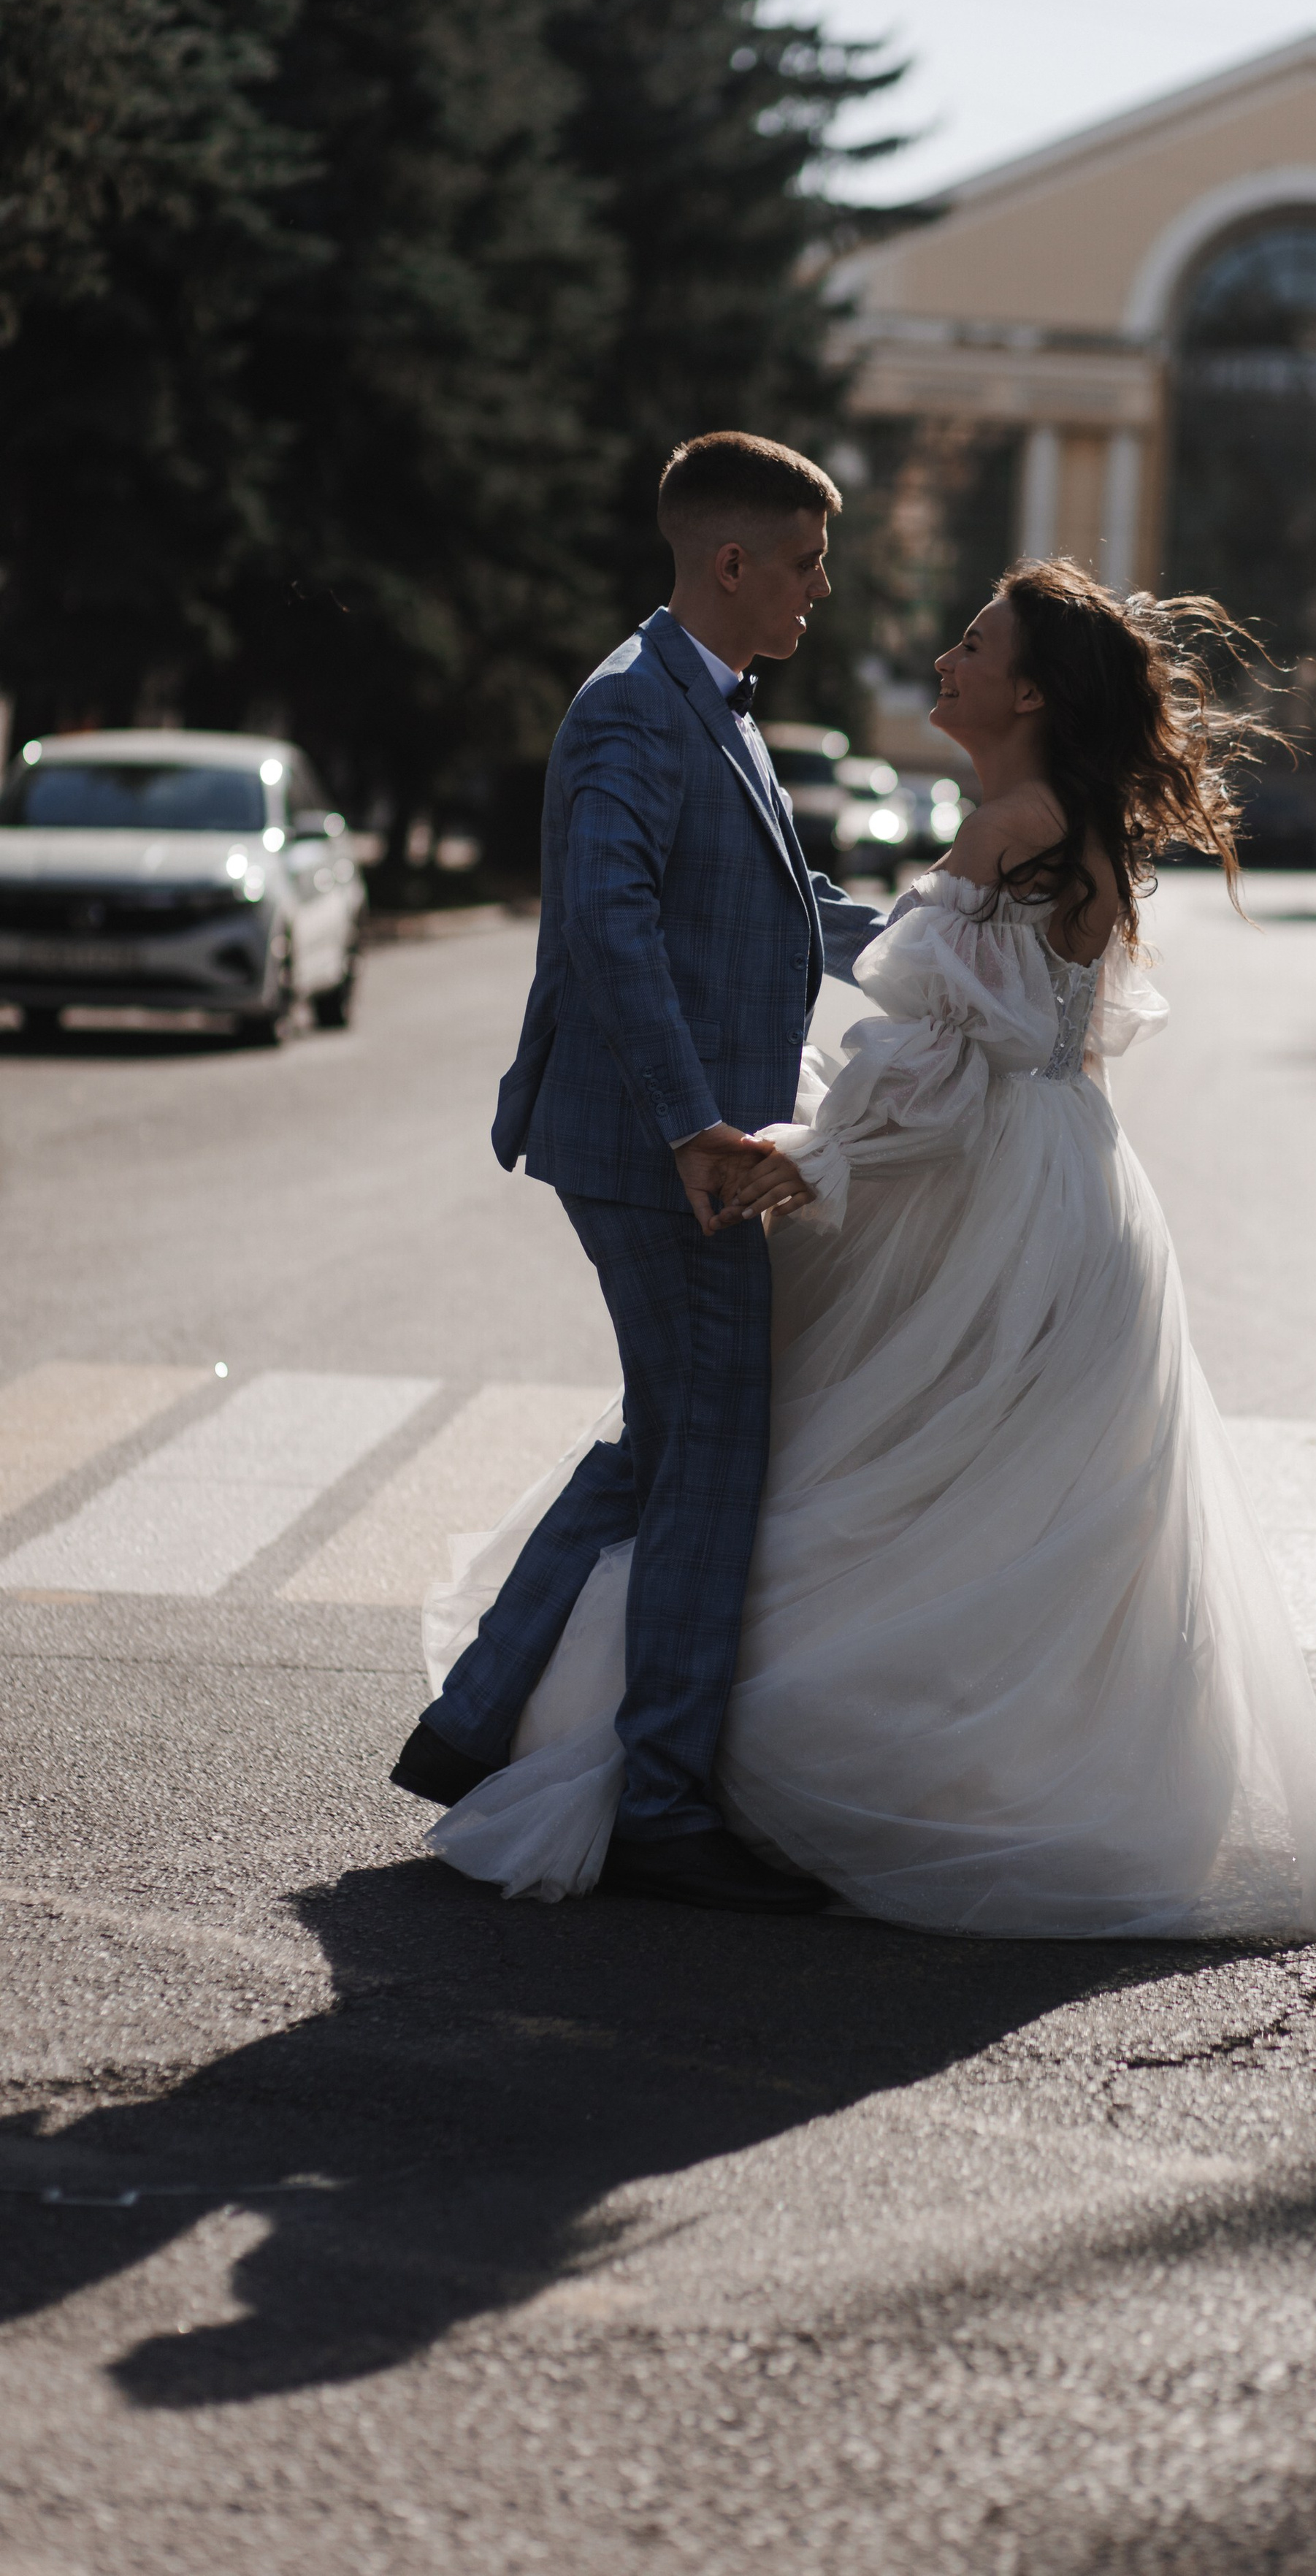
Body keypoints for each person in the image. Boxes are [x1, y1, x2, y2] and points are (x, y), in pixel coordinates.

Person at [413, 558, 1316, 1939]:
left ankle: (687, 1771)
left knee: (798, 1465)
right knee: (991, 1513)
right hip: (1072, 1197)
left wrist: (805, 1157)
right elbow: (1007, 1032)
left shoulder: (1004, 826)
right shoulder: (1064, 819)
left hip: (983, 1196)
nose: (941, 660)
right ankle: (1014, 1783)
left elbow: (934, 1070)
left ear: (1026, 690)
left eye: (970, 643)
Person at [389, 432, 890, 1916]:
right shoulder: (629, 709)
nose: (818, 593)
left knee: (662, 1444)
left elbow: (774, 900)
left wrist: (946, 942)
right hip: (669, 1150)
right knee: (709, 1460)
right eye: (802, 564)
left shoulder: (707, 698)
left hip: (682, 1140)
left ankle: (477, 1722)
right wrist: (690, 1127)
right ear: (729, 561)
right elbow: (604, 928)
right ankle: (663, 1806)